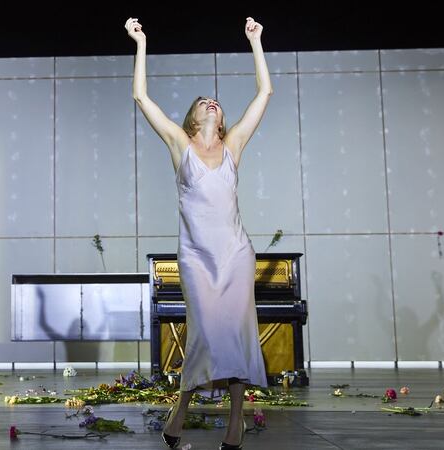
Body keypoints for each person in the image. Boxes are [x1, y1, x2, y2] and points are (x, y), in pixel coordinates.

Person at [125, 16, 272, 449]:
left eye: (217, 102)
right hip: (196, 257)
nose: (212, 103)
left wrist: (256, 42)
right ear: (191, 117)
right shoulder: (178, 144)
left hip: (235, 254)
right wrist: (141, 42)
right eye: (204, 101)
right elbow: (140, 95)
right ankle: (181, 410)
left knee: (237, 334)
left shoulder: (234, 145)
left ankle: (234, 423)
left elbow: (264, 92)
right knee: (206, 333)